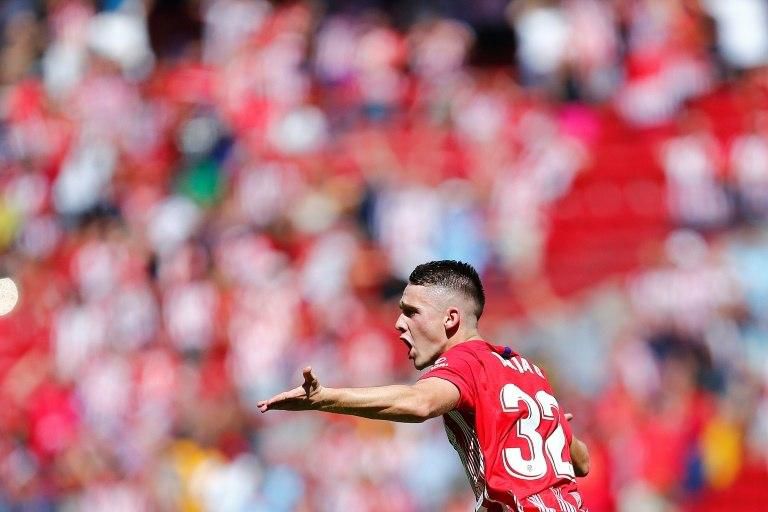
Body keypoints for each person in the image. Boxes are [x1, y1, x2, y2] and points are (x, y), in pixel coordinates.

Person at [258, 260, 590, 511]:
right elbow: (581, 462)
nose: (399, 324)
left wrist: (325, 399)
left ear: (450, 319)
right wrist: (557, 430)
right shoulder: (527, 369)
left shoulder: (465, 362)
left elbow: (420, 403)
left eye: (412, 312)